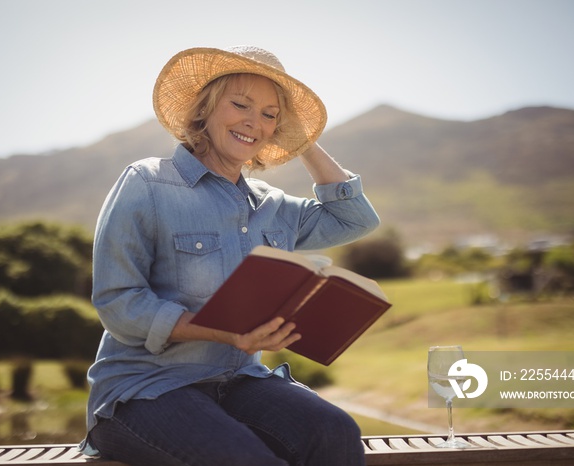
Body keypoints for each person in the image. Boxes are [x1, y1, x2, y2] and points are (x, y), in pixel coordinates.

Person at [81, 45, 381, 466]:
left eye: (270, 114)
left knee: (336, 432)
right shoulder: (146, 183)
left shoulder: (273, 205)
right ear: (205, 108)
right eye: (240, 104)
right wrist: (222, 334)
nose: (253, 122)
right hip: (144, 388)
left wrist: (304, 142)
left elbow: (355, 219)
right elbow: (118, 302)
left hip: (240, 382)